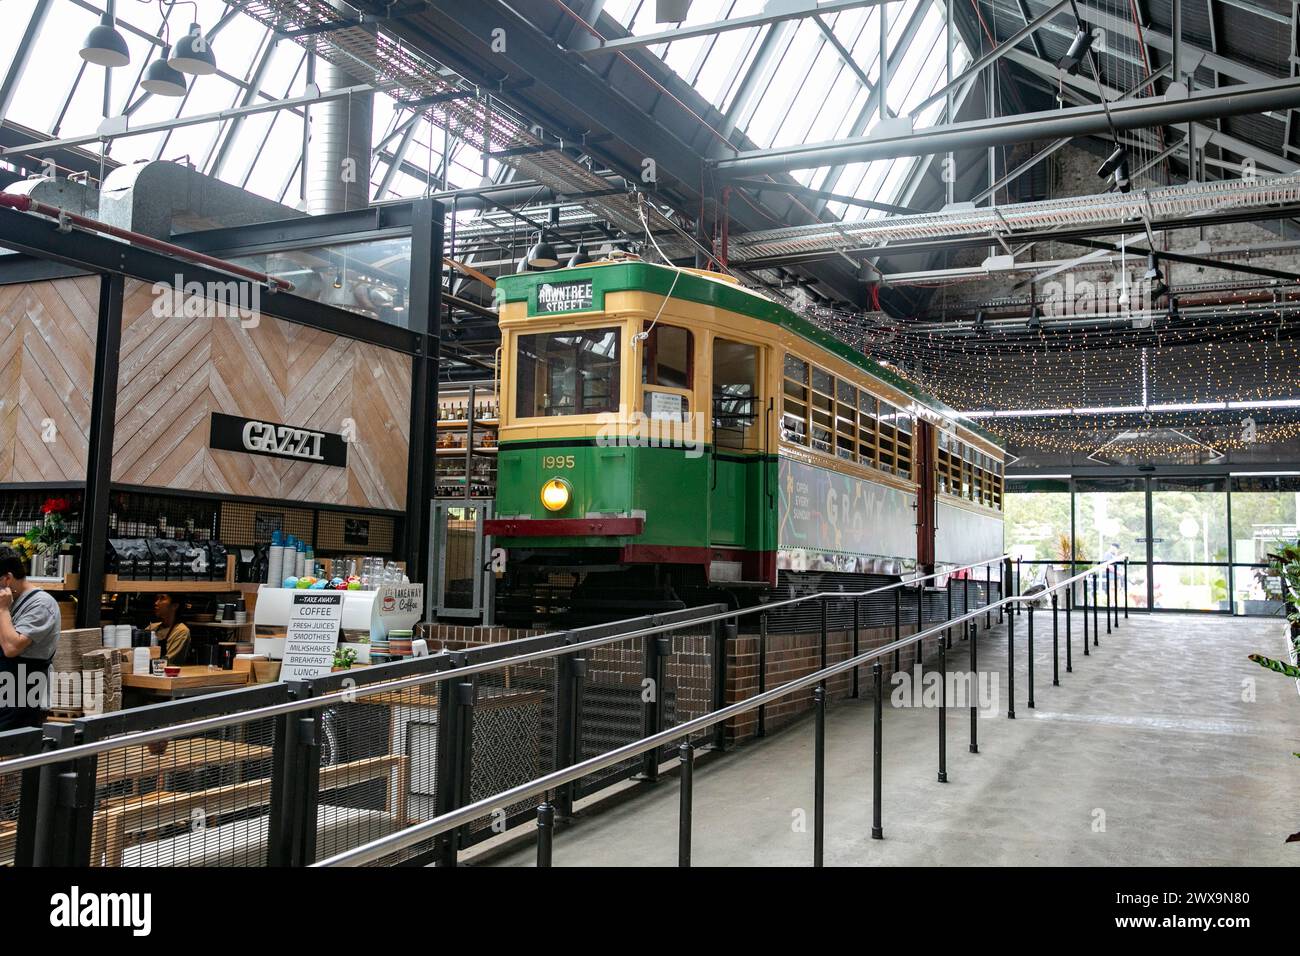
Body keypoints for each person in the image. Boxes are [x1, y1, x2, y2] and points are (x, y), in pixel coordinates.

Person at [0, 545, 62, 730]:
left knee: (14, 751)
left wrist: (3, 610)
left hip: (21, 693)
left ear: (7, 579)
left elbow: (12, 648)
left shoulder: (42, 605)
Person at [149, 593, 191, 666]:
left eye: (162, 598)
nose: (156, 603)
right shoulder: (152, 627)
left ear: (175, 606)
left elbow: (165, 662)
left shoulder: (181, 631)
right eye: (157, 599)